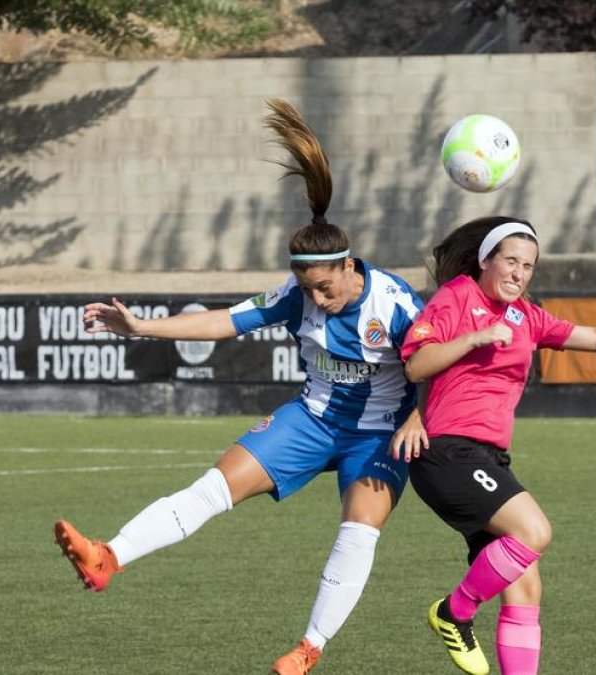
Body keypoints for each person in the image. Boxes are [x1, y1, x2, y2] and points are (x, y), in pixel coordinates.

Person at [53, 98, 426, 675]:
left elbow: (441, 366)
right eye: (309, 289)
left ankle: (308, 650)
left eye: (326, 288)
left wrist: (419, 416)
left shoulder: (397, 305)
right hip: (315, 417)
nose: (318, 300)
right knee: (212, 488)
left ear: (352, 267)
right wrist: (141, 326)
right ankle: (108, 556)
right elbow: (225, 321)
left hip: (378, 435)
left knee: (358, 531)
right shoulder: (298, 291)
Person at [395, 217, 596, 675]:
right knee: (535, 532)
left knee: (526, 588)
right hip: (448, 450)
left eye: (527, 266)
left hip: (488, 458)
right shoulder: (458, 296)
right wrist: (475, 337)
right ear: (485, 261)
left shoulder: (525, 315)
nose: (518, 273)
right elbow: (416, 366)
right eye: (510, 261)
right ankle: (454, 611)